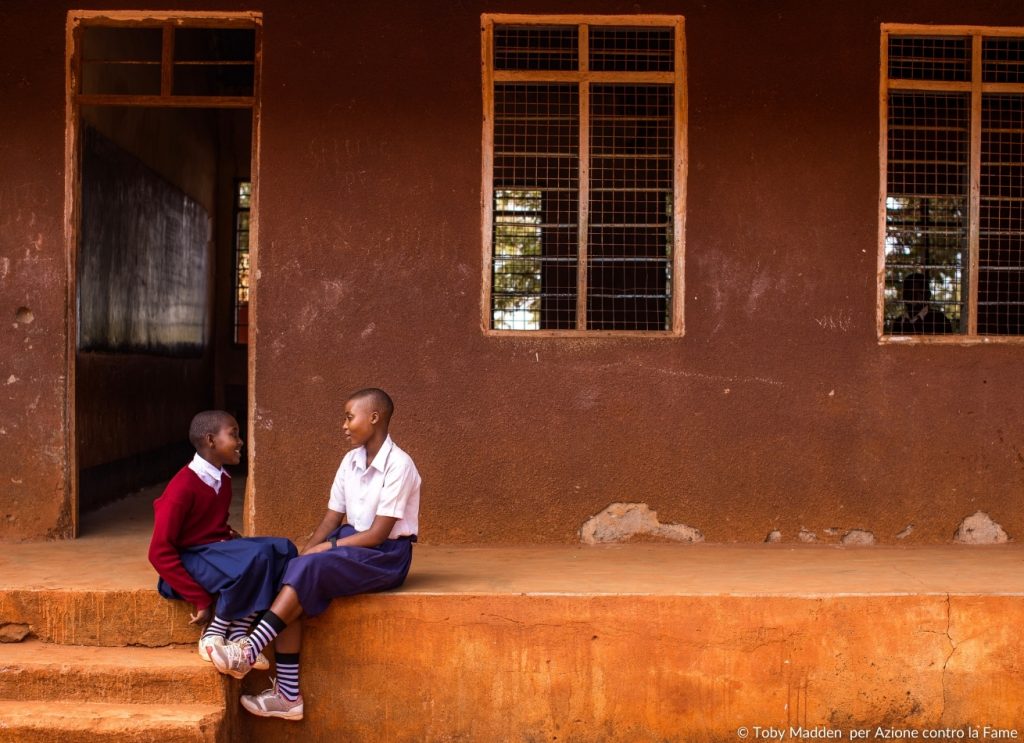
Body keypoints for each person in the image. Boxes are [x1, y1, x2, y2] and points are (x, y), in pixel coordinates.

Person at [207, 388, 421, 722]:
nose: (344, 425)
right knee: (297, 571)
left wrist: (326, 549)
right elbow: (331, 520)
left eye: (350, 417)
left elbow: (379, 534)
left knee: (310, 568)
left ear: (374, 418)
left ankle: (248, 649)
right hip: (352, 542)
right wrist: (304, 557)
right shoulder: (350, 461)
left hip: (386, 556)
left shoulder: (400, 465)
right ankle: (288, 697)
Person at [148, 410, 297, 670]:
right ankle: (215, 632)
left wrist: (233, 539)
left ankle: (239, 635)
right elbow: (158, 551)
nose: (240, 441)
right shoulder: (182, 486)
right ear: (210, 440)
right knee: (256, 556)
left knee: (283, 549)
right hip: (188, 564)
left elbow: (212, 528)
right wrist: (200, 599)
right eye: (234, 434)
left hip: (212, 555)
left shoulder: (222, 480)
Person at [890, 272, 954, 335]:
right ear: (904, 296)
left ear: (927, 295)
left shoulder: (939, 320)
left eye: (918, 292)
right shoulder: (899, 323)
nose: (913, 297)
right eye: (909, 293)